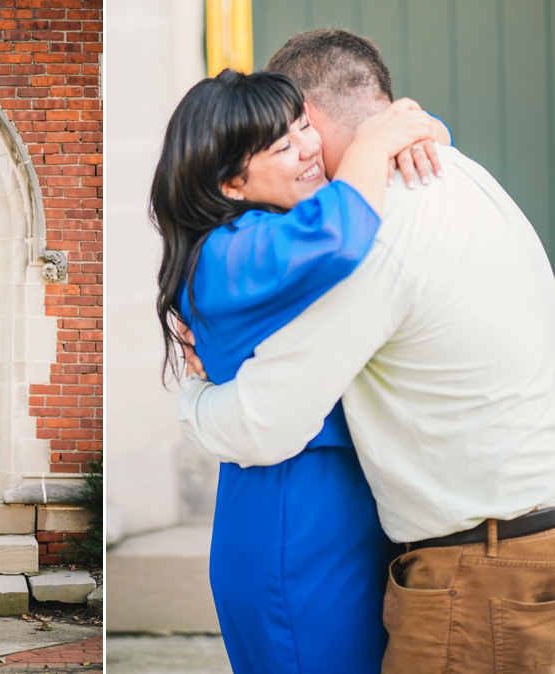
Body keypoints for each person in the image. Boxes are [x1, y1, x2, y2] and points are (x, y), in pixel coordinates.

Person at [179, 29, 555, 674]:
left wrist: (193, 396)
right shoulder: (462, 173)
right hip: (517, 546)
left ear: (309, 118)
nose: (298, 149)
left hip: (481, 571)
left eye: (294, 127)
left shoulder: (371, 231)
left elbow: (264, 425)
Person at [152, 66, 440, 673]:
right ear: (231, 182)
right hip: (294, 525)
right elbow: (338, 232)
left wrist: (413, 131)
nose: (310, 148)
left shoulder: (258, 236)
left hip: (337, 509)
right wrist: (374, 142)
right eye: (283, 146)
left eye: (304, 125)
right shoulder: (228, 251)